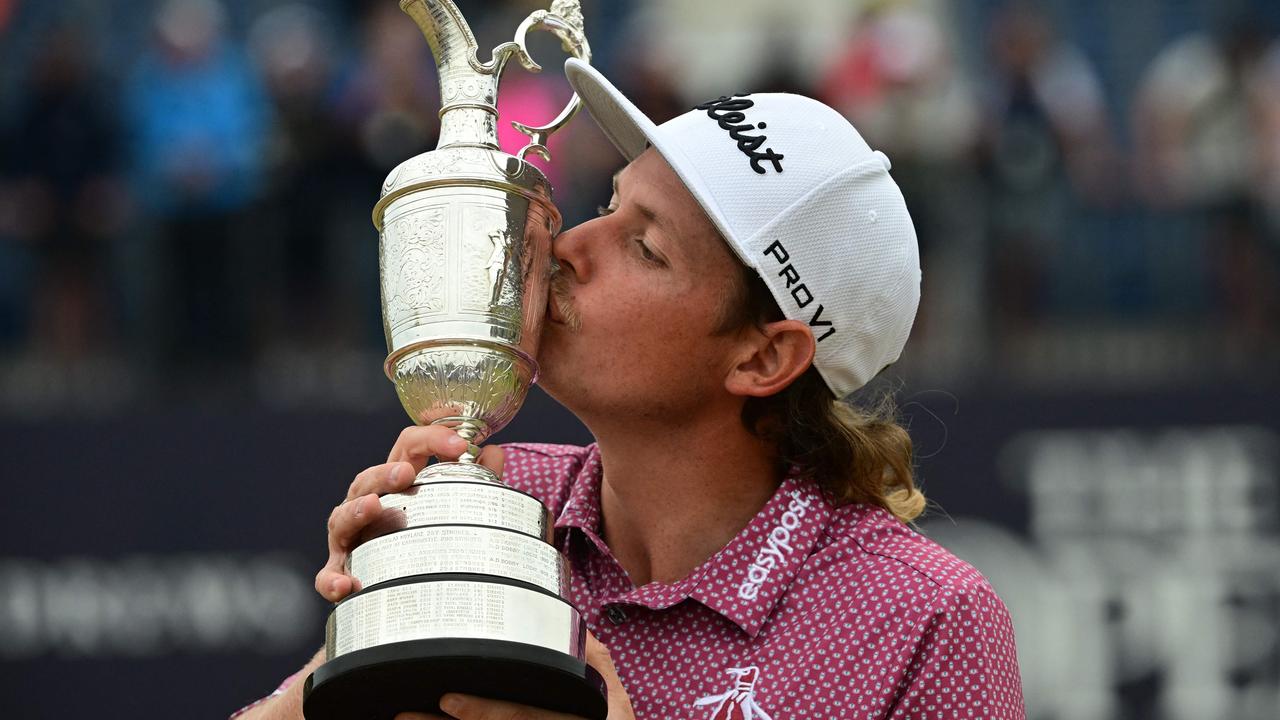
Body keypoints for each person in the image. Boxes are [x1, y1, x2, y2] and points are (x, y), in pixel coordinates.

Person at [234, 59, 1025, 720]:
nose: (573, 245)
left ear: (762, 358)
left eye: (644, 247)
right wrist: (364, 644)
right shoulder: (510, 503)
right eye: (610, 203)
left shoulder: (927, 618)